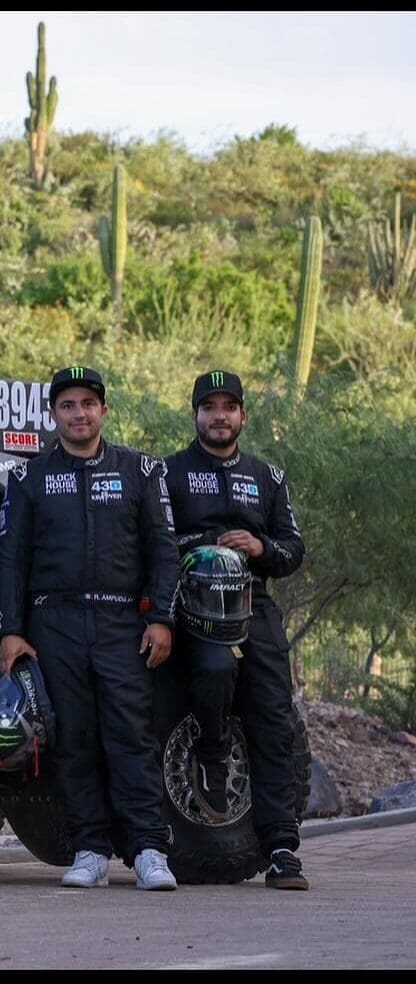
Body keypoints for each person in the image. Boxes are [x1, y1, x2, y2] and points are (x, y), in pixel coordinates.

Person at [0, 365, 181, 891]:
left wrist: (161, 618)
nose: (79, 414)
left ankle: (148, 851)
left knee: (131, 736)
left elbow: (164, 552)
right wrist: (11, 629)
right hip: (54, 624)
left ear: (104, 409)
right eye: (68, 405)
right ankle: (90, 850)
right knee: (72, 740)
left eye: (88, 404)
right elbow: (10, 559)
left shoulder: (141, 470)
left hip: (123, 621)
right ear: (53, 414)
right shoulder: (28, 476)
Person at [164, 370, 309, 890]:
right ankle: (210, 750)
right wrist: (202, 543)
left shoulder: (267, 476)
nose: (219, 416)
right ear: (196, 415)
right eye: (209, 407)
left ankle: (281, 851)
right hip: (190, 609)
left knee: (274, 721)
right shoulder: (169, 472)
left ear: (243, 416)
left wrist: (260, 547)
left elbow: (293, 550)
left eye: (229, 407)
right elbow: (151, 541)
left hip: (255, 607)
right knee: (213, 669)